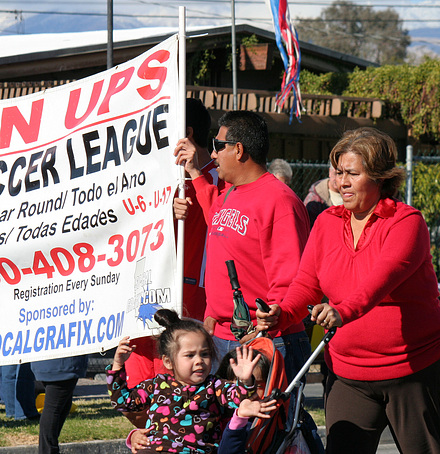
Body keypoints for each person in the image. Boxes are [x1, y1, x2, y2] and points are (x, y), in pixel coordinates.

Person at [257, 127, 440, 454]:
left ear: (380, 177)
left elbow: (381, 280)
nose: (341, 183)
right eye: (338, 173)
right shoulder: (326, 222)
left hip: (413, 368)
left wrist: (342, 311)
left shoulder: (406, 222)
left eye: (352, 173)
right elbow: (307, 283)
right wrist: (282, 313)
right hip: (347, 372)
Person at [173, 110, 311, 381]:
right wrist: (213, 311)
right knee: (229, 424)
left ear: (238, 150)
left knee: (269, 422)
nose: (212, 155)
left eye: (217, 146)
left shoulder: (280, 201)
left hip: (267, 342)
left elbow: (292, 278)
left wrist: (265, 329)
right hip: (226, 339)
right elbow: (218, 220)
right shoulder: (230, 194)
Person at [124, 98, 226, 427]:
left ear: (187, 134)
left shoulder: (214, 179)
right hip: (145, 293)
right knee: (141, 383)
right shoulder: (153, 175)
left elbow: (222, 229)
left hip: (190, 298)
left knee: (182, 390)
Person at [107, 309, 267, 453]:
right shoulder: (156, 385)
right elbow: (123, 402)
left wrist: (245, 380)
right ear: (168, 361)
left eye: (204, 354)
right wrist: (117, 365)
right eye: (190, 355)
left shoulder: (215, 386)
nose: (199, 361)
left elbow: (239, 399)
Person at [30, 355, 88, 454]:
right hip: (62, 364)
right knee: (54, 408)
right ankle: (48, 450)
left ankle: (48, 449)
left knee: (61, 406)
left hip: (49, 363)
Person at [303, 161, 342, 227]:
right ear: (330, 172)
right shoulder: (314, 198)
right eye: (335, 173)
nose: (337, 178)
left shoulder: (353, 195)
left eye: (341, 174)